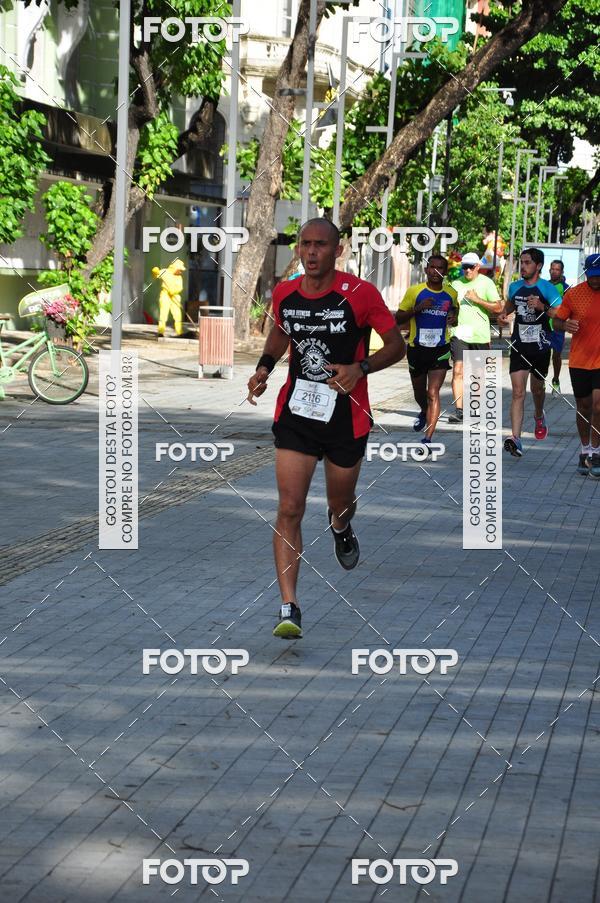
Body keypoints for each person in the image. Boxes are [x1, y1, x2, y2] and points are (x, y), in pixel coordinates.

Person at [246, 218, 405, 639]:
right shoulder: (285, 293)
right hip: (297, 415)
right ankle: (289, 606)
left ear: (338, 250)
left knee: (340, 502)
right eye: (305, 244)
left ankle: (340, 526)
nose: (311, 252)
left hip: (346, 417)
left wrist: (360, 368)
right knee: (289, 508)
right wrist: (263, 369)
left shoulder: (361, 294)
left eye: (320, 245)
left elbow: (396, 345)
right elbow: (280, 334)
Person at [497, 247, 562, 457]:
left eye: (527, 263)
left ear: (538, 266)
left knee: (537, 389)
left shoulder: (548, 289)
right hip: (519, 346)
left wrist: (542, 306)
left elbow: (560, 314)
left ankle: (538, 415)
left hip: (541, 346)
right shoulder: (515, 287)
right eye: (522, 262)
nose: (523, 267)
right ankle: (515, 438)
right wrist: (503, 315)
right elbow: (509, 306)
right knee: (518, 392)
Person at [396, 255, 458, 443]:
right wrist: (418, 308)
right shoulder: (414, 292)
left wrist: (454, 317)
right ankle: (424, 410)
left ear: (445, 272)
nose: (435, 271)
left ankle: (428, 438)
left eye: (440, 268)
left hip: (440, 349)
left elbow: (454, 311)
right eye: (432, 267)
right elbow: (398, 318)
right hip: (417, 349)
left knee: (433, 392)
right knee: (419, 392)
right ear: (426, 270)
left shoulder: (451, 293)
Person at [549, 254, 600, 477]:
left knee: (598, 406)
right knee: (584, 407)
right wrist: (565, 325)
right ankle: (584, 450)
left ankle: (596, 453)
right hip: (579, 360)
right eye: (592, 275)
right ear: (586, 273)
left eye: (599, 276)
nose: (596, 280)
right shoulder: (574, 294)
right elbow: (556, 321)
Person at [448, 252, 503, 423]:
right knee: (458, 370)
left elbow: (498, 308)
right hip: (460, 333)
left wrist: (477, 299)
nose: (467, 270)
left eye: (471, 267)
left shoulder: (487, 283)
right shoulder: (455, 284)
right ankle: (459, 411)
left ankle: (475, 407)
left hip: (480, 335)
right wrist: (451, 315)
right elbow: (450, 307)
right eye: (464, 267)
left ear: (478, 266)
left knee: (478, 374)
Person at [547, 259, 570, 393]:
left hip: (558, 327)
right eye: (552, 269)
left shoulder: (566, 288)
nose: (554, 272)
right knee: (543, 355)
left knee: (556, 355)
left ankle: (556, 380)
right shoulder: (543, 285)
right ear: (549, 270)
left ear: (561, 272)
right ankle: (540, 380)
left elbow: (570, 307)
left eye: (557, 269)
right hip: (544, 326)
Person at [152, 259, 185, 337]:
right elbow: (156, 275)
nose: (181, 271)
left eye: (181, 270)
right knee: (163, 313)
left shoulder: (179, 277)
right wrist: (155, 271)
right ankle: (161, 331)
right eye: (180, 270)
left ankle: (179, 332)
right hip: (165, 294)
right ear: (175, 268)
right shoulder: (165, 272)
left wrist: (174, 291)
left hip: (175, 296)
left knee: (177, 314)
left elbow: (180, 287)